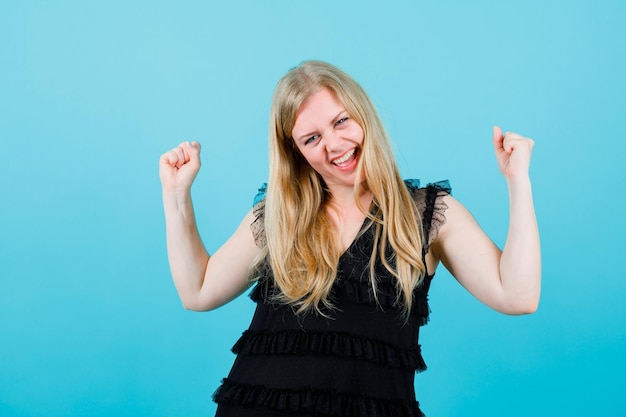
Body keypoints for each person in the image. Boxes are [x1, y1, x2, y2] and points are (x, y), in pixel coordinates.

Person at [159, 60, 541, 417]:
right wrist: (176, 194)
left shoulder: (426, 214)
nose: (335, 145)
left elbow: (518, 296)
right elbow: (199, 291)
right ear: (297, 152)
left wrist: (518, 180)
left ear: (363, 114)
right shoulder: (280, 215)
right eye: (311, 138)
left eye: (341, 121)